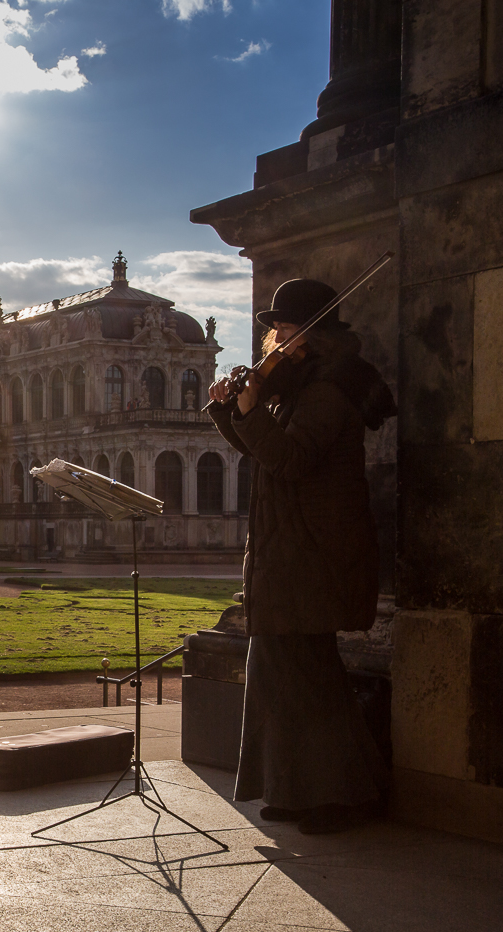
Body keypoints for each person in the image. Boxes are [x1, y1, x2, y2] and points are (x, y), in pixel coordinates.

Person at [207, 278, 396, 836]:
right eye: (274, 327)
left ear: (316, 331)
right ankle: (294, 790)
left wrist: (250, 410)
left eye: (285, 327)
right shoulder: (294, 388)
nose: (274, 336)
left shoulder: (327, 392)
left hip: (313, 555)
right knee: (282, 678)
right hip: (289, 553)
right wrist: (231, 411)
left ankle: (340, 797)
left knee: (307, 680)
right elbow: (263, 451)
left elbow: (290, 460)